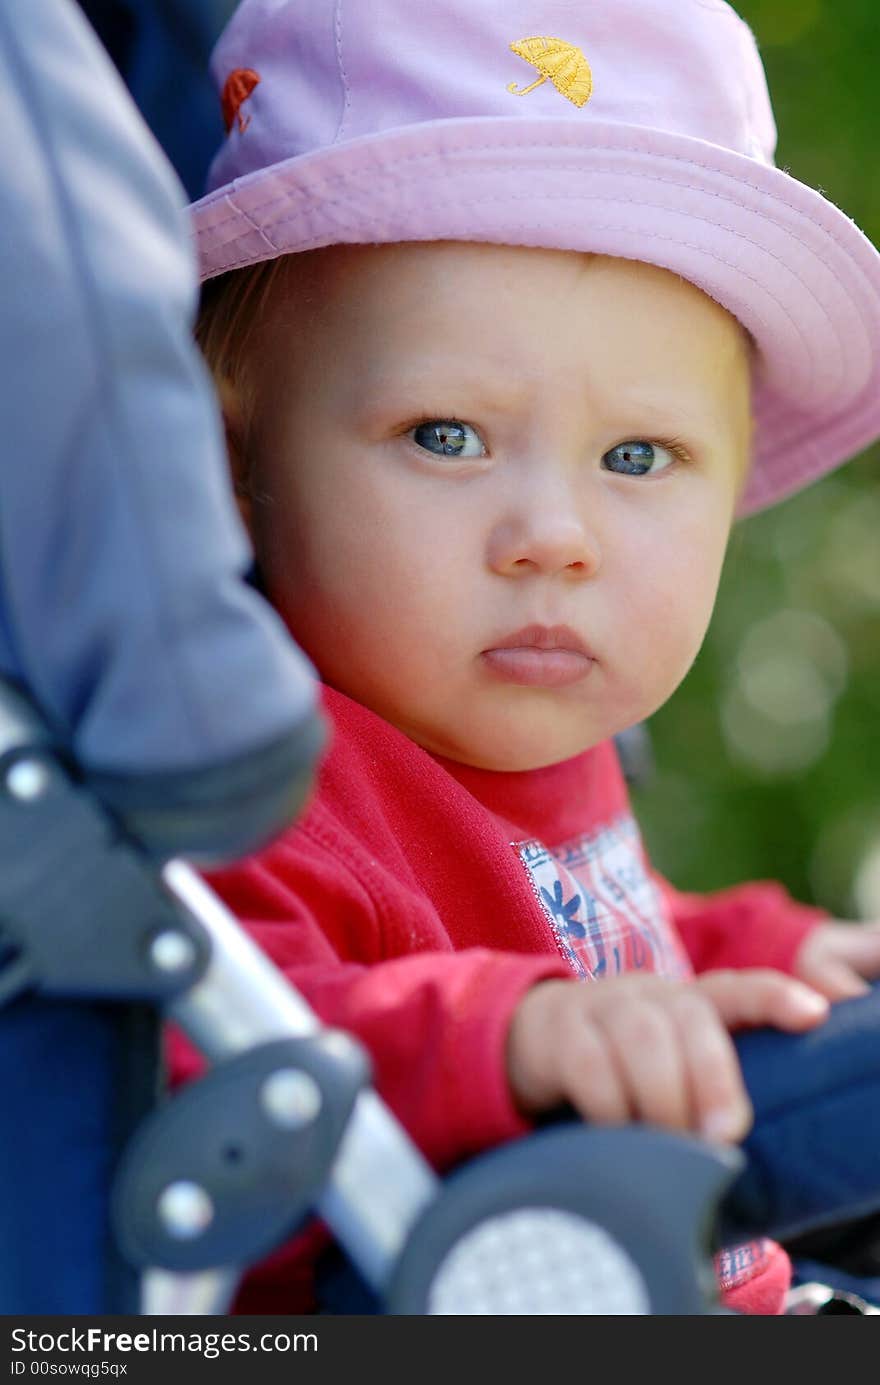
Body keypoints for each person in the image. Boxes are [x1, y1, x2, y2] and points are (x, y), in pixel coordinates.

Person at [176, 0, 880, 1314]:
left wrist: (774, 957)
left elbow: (619, 937)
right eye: (447, 435)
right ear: (233, 462)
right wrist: (508, 1036)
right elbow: (198, 1072)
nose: (552, 538)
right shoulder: (263, 791)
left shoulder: (539, 760)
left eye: (635, 457)